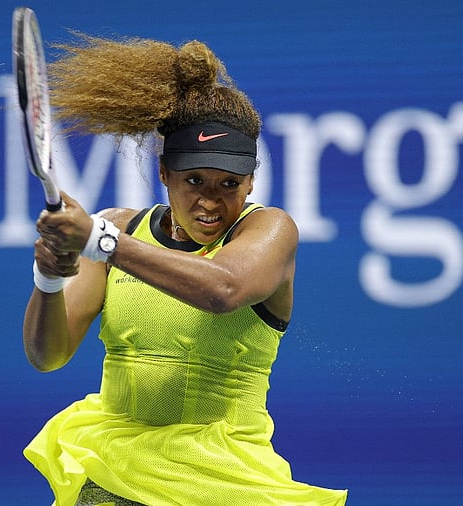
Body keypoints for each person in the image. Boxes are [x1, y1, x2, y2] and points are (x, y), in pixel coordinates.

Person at [22, 33, 348, 506]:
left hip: (225, 482)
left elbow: (224, 289)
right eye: (194, 180)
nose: (210, 201)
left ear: (252, 179)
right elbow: (46, 355)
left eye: (229, 184)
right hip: (116, 472)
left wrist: (98, 242)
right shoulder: (119, 228)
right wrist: (49, 278)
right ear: (164, 173)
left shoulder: (270, 230)